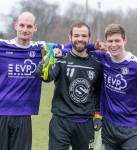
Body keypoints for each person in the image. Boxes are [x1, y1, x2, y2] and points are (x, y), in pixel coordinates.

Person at [0, 11, 69, 150]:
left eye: (29, 26)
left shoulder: (42, 48)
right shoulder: (3, 46)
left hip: (24, 115)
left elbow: (71, 47)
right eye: (22, 25)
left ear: (35, 28)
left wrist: (95, 47)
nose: (25, 30)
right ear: (16, 26)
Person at [36, 21, 103, 150]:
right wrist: (48, 57)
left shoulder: (96, 64)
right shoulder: (61, 59)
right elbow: (45, 77)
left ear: (89, 37)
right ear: (70, 37)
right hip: (60, 122)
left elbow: (98, 92)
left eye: (84, 36)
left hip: (85, 123)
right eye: (76, 35)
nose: (80, 39)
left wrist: (98, 115)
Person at [84, 24, 137, 149]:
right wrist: (94, 46)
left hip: (132, 129)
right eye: (110, 41)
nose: (113, 45)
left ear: (125, 40)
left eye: (117, 40)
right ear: (105, 42)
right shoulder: (104, 57)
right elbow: (79, 46)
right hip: (109, 127)